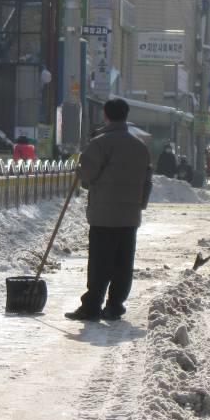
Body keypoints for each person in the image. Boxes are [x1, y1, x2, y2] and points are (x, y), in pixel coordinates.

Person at [65, 98, 152, 322]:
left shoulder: (100, 143)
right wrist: (139, 205)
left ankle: (92, 306)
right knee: (123, 262)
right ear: (126, 115)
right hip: (130, 215)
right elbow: (147, 181)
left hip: (104, 214)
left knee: (100, 262)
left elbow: (88, 175)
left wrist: (79, 170)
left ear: (105, 115)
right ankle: (115, 306)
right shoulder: (140, 146)